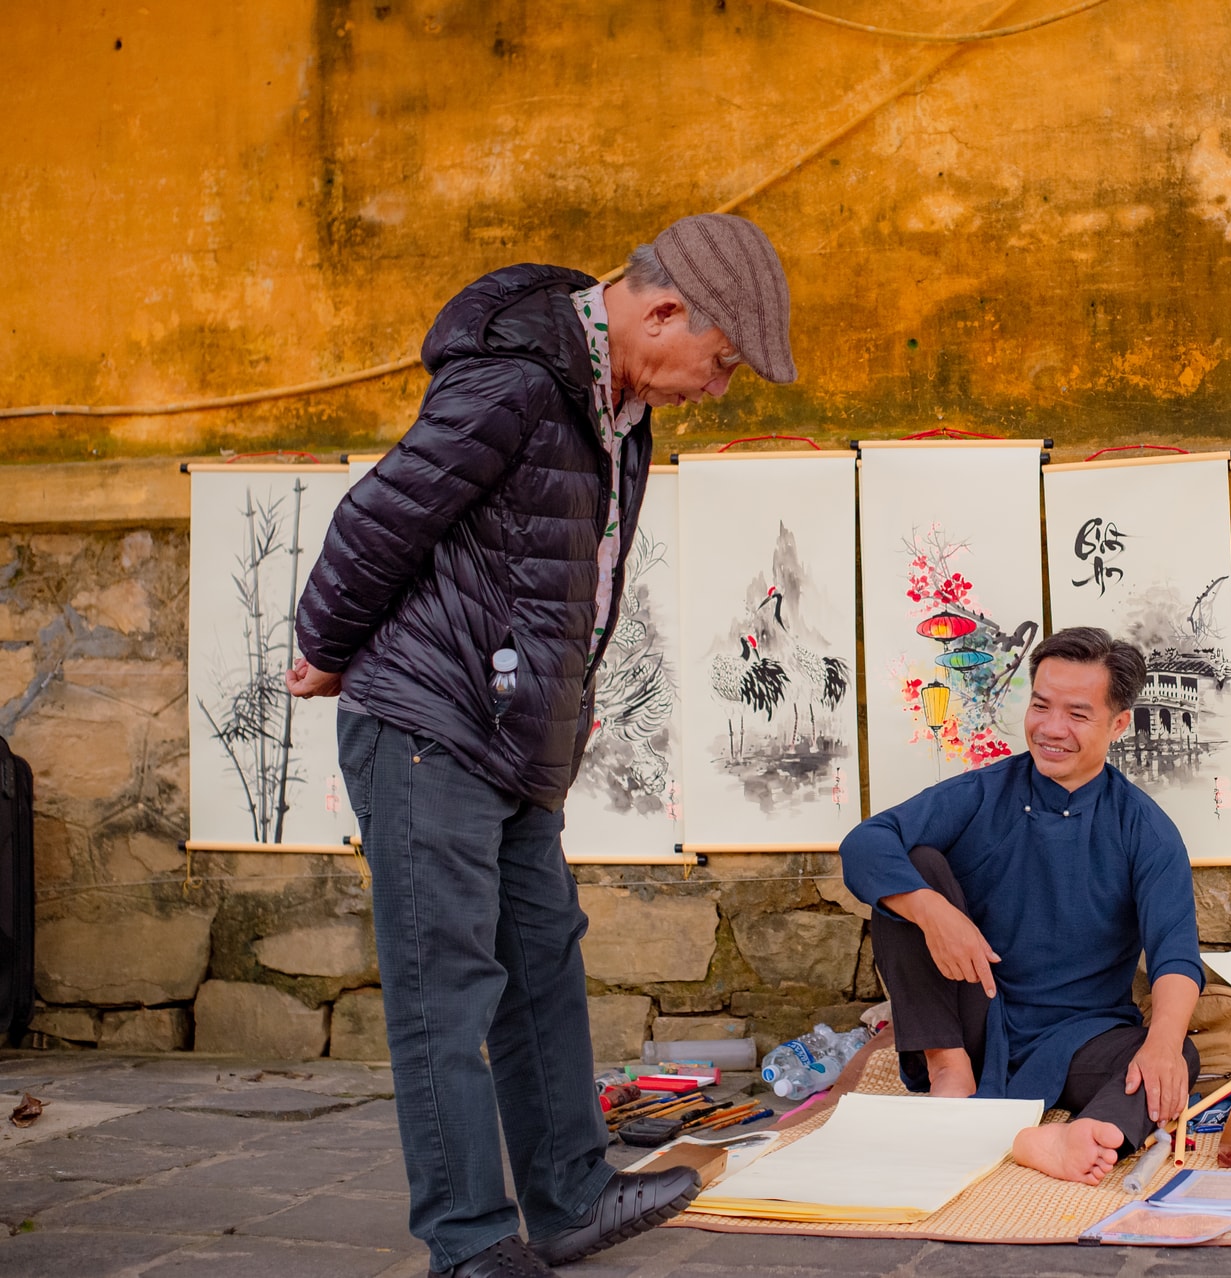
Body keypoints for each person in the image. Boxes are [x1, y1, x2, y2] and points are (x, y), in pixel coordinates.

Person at [286, 214, 797, 1278]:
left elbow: (566, 581)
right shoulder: (515, 383)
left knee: (542, 967)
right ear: (663, 312)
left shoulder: (618, 413)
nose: (718, 387)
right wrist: (326, 649)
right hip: (427, 725)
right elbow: (380, 515)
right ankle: (471, 1242)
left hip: (515, 736)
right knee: (446, 991)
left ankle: (570, 1200)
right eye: (721, 361)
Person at [839, 627, 1204, 1186]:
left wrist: (1163, 1045)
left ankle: (1079, 1134)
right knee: (912, 866)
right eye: (1040, 705)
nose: (1052, 728)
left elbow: (1175, 954)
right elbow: (865, 843)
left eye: (1077, 714)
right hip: (974, 1020)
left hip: (1081, 1038)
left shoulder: (1145, 829)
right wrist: (934, 913)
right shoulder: (983, 793)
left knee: (1174, 1056)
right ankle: (949, 1075)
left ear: (1118, 724)